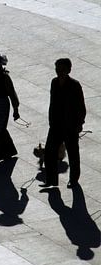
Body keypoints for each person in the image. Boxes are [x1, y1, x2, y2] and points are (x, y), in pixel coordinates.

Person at [42, 58, 86, 188]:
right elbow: (52, 102)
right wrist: (51, 120)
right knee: (50, 152)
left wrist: (79, 123)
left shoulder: (74, 85)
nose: (58, 72)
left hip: (70, 125)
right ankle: (51, 180)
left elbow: (80, 106)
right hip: (56, 124)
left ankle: (73, 180)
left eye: (61, 69)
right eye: (57, 69)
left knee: (73, 154)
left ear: (68, 70)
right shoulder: (54, 82)